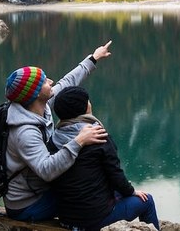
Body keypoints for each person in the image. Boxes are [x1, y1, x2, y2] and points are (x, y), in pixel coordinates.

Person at [3, 41, 113, 222]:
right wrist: (79, 140)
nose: (51, 81)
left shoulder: (39, 105)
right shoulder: (24, 132)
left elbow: (67, 81)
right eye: (45, 81)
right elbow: (46, 170)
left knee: (92, 187)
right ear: (36, 93)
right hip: (27, 204)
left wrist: (93, 58)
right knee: (91, 196)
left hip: (39, 188)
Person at [51, 86, 160, 231]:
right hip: (94, 219)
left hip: (66, 218)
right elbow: (115, 174)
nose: (90, 103)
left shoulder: (54, 138)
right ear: (84, 107)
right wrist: (132, 192)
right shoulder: (98, 137)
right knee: (146, 201)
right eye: (87, 101)